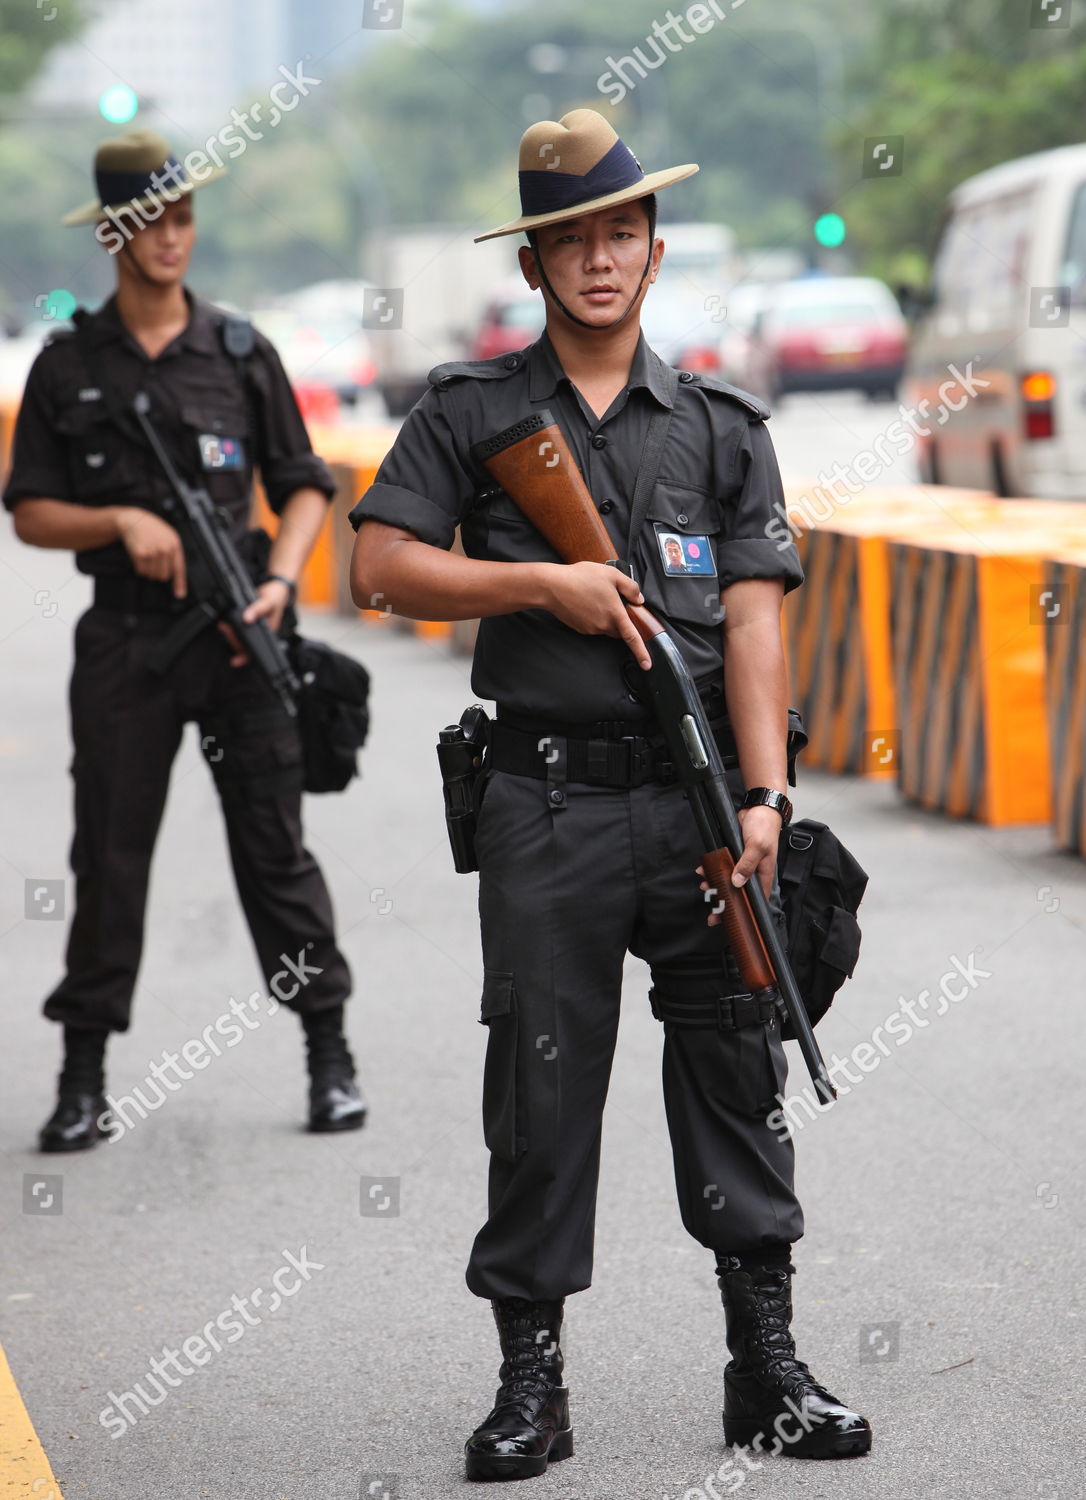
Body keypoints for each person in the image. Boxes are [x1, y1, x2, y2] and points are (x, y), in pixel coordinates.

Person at [348, 109, 870, 1478]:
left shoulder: (718, 427)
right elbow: (383, 570)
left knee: (734, 1075)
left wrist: (763, 800)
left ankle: (764, 1370)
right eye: (567, 239)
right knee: (538, 1087)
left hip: (699, 811)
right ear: (532, 265)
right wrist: (541, 584)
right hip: (546, 802)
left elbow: (753, 625)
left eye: (618, 233)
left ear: (652, 249)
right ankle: (533, 1388)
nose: (596, 259)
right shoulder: (471, 414)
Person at [4, 129, 365, 1150]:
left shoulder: (242, 354)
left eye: (184, 216)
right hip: (124, 642)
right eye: (152, 218)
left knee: (275, 853)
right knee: (110, 857)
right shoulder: (69, 364)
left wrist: (285, 579)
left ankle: (328, 1056)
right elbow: (28, 507)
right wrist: (116, 522)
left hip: (242, 634)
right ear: (114, 230)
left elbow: (302, 487)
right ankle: (83, 1078)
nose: (172, 235)